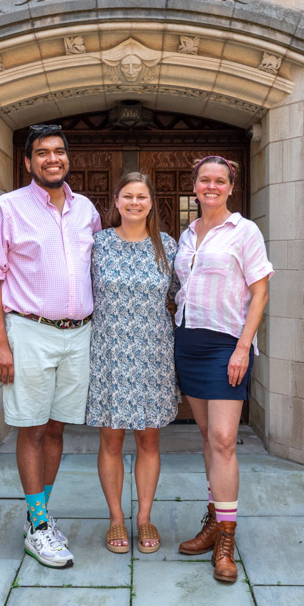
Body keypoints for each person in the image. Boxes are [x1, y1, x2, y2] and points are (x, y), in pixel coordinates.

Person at [0, 124, 101, 570]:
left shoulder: (86, 209)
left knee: (56, 429)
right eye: (42, 153)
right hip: (28, 331)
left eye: (59, 151)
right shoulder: (7, 208)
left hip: (78, 333)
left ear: (68, 159)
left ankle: (39, 520)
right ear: (28, 162)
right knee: (29, 427)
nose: (53, 158)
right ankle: (40, 523)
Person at [173, 156, 272, 583]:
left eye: (219, 181)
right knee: (208, 438)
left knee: (224, 439)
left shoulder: (244, 231)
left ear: (231, 186)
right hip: (188, 343)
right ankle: (214, 520)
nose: (211, 186)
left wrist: (243, 347)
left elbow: (260, 291)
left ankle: (227, 541)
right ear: (195, 186)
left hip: (227, 345)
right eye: (204, 180)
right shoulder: (187, 233)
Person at [85, 172, 179, 555]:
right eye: (128, 196)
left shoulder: (168, 247)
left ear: (151, 202)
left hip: (153, 353)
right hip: (109, 352)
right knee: (110, 438)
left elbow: (183, 294)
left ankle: (143, 518)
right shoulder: (99, 245)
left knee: (149, 438)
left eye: (142, 196)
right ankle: (115, 519)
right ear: (117, 201)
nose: (135, 202)